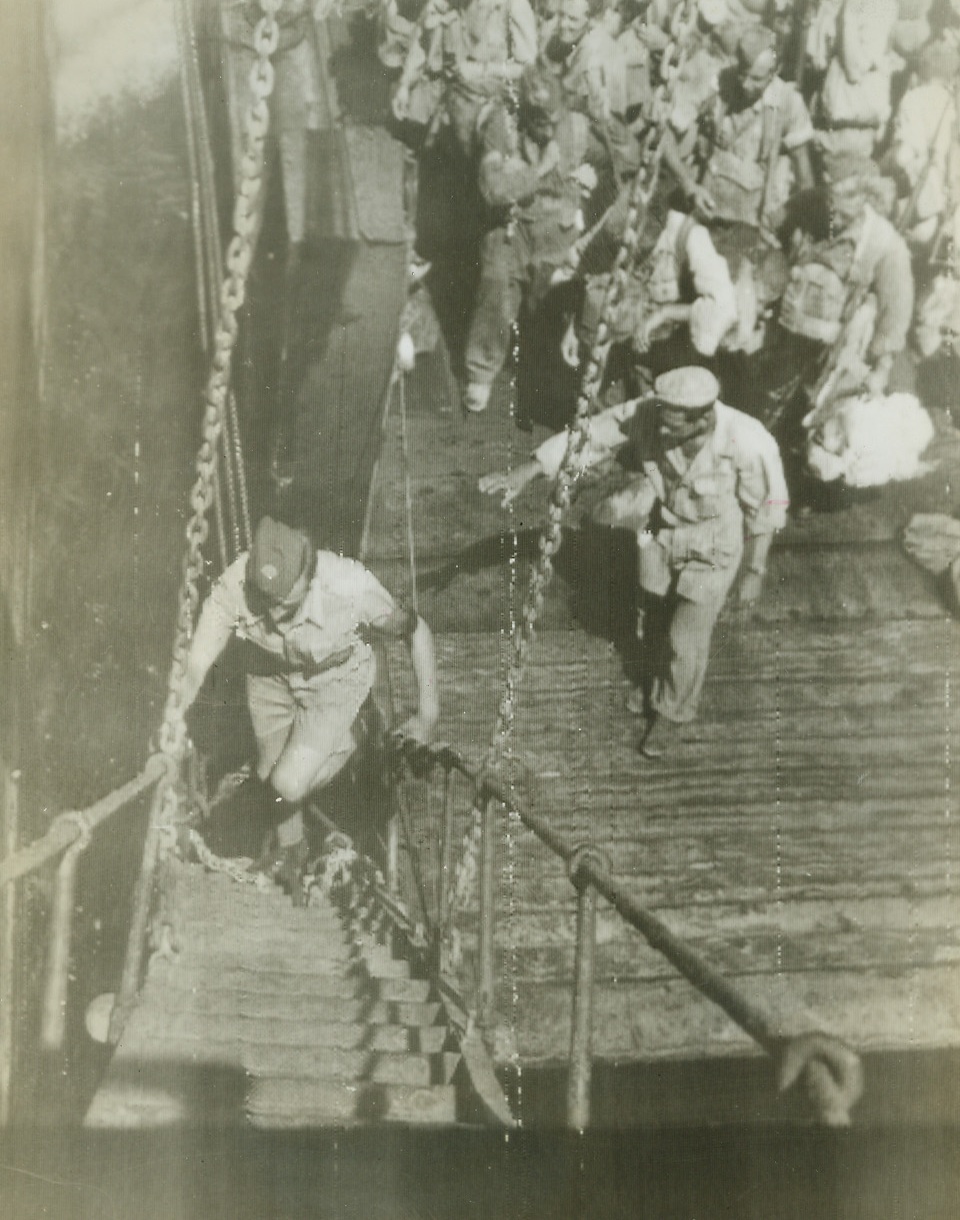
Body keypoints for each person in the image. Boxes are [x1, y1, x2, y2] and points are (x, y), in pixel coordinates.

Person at [479, 366, 788, 755]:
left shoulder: (748, 440)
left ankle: (673, 712)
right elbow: (592, 435)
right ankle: (656, 683)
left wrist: (755, 571)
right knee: (654, 615)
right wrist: (530, 470)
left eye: (671, 424)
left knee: (687, 635)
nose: (659, 429)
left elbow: (769, 508)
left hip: (715, 543)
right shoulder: (652, 413)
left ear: (703, 418)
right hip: (663, 529)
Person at [178, 516, 440, 898]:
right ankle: (292, 853)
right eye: (267, 604)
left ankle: (356, 733)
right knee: (271, 776)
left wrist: (427, 716)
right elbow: (195, 666)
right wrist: (171, 726)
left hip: (335, 679)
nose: (277, 618)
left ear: (311, 576)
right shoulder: (234, 586)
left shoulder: (350, 587)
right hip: (270, 674)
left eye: (288, 606)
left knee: (289, 782)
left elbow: (417, 630)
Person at [463, 66, 604, 412]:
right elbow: (494, 190)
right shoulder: (503, 124)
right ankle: (481, 371)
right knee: (496, 280)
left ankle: (570, 376)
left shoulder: (578, 125)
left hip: (560, 229)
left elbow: (615, 166)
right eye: (541, 121)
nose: (550, 129)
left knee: (578, 291)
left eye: (555, 118)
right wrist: (539, 170)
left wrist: (595, 176)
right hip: (512, 227)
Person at [666, 25, 815, 245]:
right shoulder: (717, 81)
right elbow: (665, 134)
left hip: (752, 225)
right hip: (705, 209)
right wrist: (688, 185)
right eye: (743, 74)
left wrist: (804, 232)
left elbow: (805, 178)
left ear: (776, 71)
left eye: (757, 79)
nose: (746, 85)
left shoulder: (788, 102)